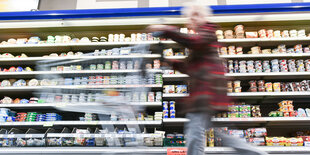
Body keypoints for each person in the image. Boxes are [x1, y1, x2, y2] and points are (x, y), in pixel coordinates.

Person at [147, 3, 268, 155]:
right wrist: (169, 61)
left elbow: (194, 42)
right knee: (219, 133)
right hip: (207, 94)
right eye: (191, 16)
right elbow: (190, 68)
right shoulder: (201, 40)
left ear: (204, 17)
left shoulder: (208, 32)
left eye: (197, 14)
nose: (193, 19)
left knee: (194, 132)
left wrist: (165, 29)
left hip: (206, 93)